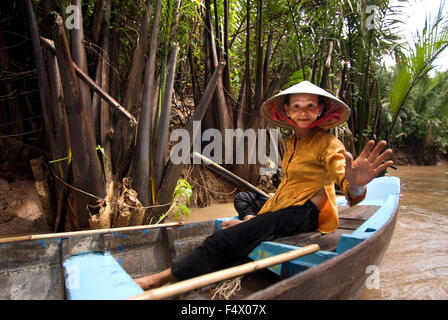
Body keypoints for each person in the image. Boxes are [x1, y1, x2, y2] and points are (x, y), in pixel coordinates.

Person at [134, 80, 393, 290]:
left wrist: (356, 185)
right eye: (297, 106)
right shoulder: (292, 142)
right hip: (282, 205)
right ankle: (250, 221)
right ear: (288, 112)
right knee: (244, 199)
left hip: (303, 213)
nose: (304, 112)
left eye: (311, 106)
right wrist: (255, 215)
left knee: (224, 238)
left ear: (320, 111)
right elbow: (288, 184)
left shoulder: (328, 144)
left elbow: (346, 182)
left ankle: (159, 278)